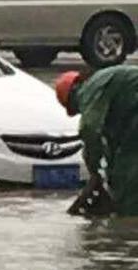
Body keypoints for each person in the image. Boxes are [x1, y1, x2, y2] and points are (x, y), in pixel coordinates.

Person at [56, 66, 138, 216]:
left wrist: (94, 169)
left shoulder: (89, 89)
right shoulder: (112, 94)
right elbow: (112, 141)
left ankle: (128, 225)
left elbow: (89, 129)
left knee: (127, 178)